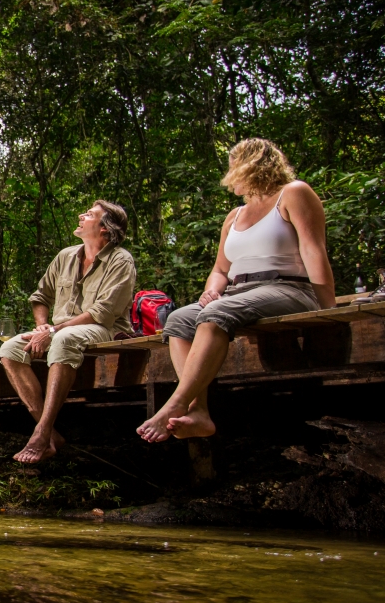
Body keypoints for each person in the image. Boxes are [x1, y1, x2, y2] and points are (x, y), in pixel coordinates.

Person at [136, 138, 336, 443]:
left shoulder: (293, 193)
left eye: (233, 167)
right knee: (178, 319)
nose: (229, 176)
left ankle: (175, 403)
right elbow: (220, 270)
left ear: (250, 166)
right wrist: (211, 291)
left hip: (288, 287)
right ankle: (198, 410)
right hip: (237, 293)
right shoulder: (235, 216)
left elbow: (313, 250)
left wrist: (329, 310)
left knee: (217, 313)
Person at [0, 200, 137, 463]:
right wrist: (42, 325)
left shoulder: (121, 260)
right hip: (57, 330)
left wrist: (52, 330)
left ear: (105, 228)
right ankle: (50, 432)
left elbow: (102, 313)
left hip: (104, 330)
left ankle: (40, 434)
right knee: (10, 349)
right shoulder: (66, 256)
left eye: (90, 214)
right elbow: (40, 296)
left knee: (63, 338)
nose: (81, 216)